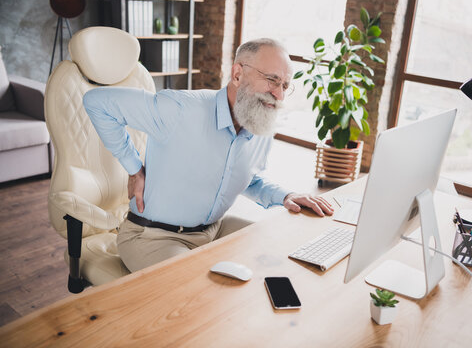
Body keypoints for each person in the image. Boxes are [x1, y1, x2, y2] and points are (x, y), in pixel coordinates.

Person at [83, 38, 333, 272]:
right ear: (237, 74)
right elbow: (97, 102)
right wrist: (134, 168)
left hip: (214, 230)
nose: (278, 94)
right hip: (152, 236)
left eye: (285, 86)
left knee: (279, 255)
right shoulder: (180, 109)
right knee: (198, 294)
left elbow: (248, 178)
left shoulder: (261, 126)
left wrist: (287, 195)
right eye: (271, 79)